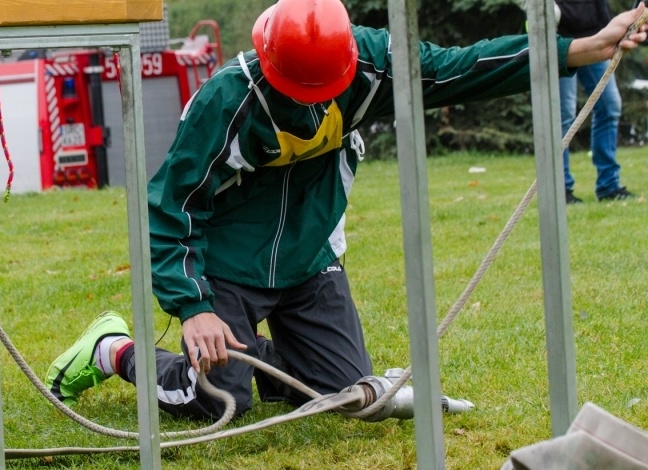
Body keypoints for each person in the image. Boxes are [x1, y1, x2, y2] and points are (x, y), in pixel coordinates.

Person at [45, 0, 648, 420]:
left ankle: (259, 356)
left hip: (311, 262)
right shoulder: (224, 101)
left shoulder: (370, 63)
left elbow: (463, 69)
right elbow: (170, 204)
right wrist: (194, 306)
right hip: (226, 266)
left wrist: (582, 48)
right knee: (218, 403)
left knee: (339, 394)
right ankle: (113, 349)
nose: (311, 105)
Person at [556, 0, 638, 203]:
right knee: (562, 114)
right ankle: (560, 190)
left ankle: (609, 186)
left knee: (610, 106)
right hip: (559, 42)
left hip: (595, 36)